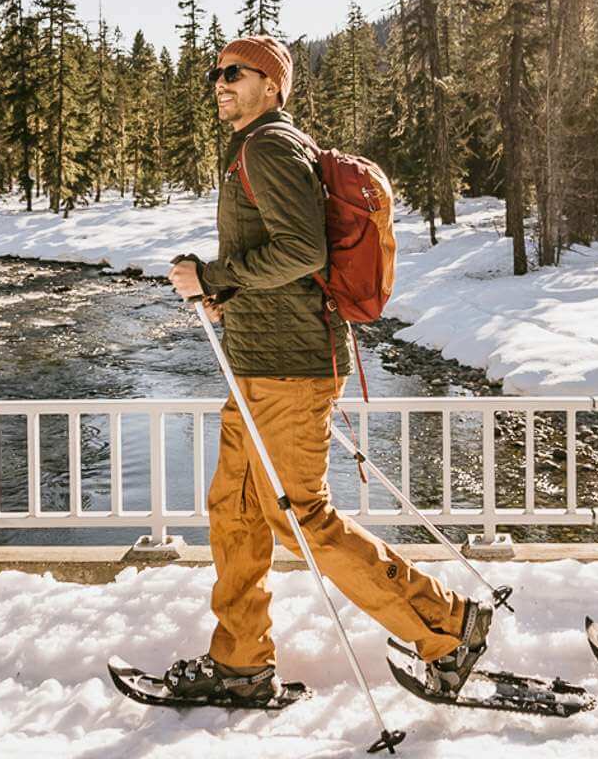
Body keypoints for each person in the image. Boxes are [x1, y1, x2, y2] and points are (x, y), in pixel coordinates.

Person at [163, 34, 490, 702]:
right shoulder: (257, 149)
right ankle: (242, 663)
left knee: (297, 516)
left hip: (290, 366)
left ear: (273, 86)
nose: (220, 83)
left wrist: (212, 275)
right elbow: (281, 263)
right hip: (258, 359)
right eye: (215, 72)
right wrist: (226, 295)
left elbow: (302, 252)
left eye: (236, 73)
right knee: (235, 509)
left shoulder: (271, 146)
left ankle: (448, 627)